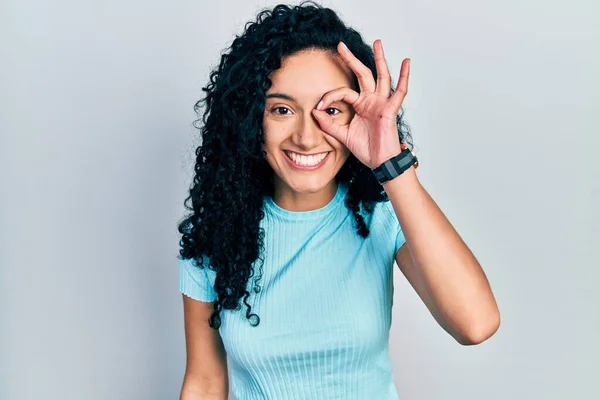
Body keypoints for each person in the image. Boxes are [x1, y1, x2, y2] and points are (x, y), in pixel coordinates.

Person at [177, 2, 500, 399]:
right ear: (249, 120)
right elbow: (205, 381)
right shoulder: (214, 236)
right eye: (282, 109)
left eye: (331, 109)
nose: (307, 137)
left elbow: (476, 324)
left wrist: (391, 164)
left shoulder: (382, 217)